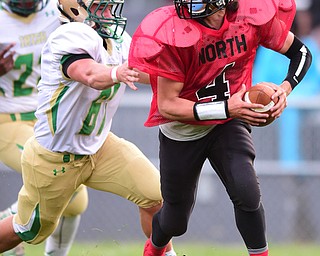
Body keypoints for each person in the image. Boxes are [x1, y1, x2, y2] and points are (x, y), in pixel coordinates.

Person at [128, 0, 312, 256]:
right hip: (184, 129)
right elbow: (167, 105)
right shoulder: (173, 30)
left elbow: (301, 53)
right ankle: (155, 249)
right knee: (175, 220)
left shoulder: (250, 18)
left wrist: (284, 89)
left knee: (247, 191)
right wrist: (227, 108)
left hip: (227, 123)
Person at [0, 0, 177, 255]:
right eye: (102, 7)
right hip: (56, 156)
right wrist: (117, 72)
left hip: (100, 146)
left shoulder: (117, 39)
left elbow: (148, 73)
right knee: (30, 230)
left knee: (154, 195)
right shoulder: (68, 35)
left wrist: (188, 78)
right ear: (76, 7)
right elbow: (89, 74)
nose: (109, 14)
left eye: (111, 7)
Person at [0, 0, 89, 255]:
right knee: (63, 178)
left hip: (51, 118)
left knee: (74, 201)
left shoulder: (60, 9)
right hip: (8, 119)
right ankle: (9, 224)